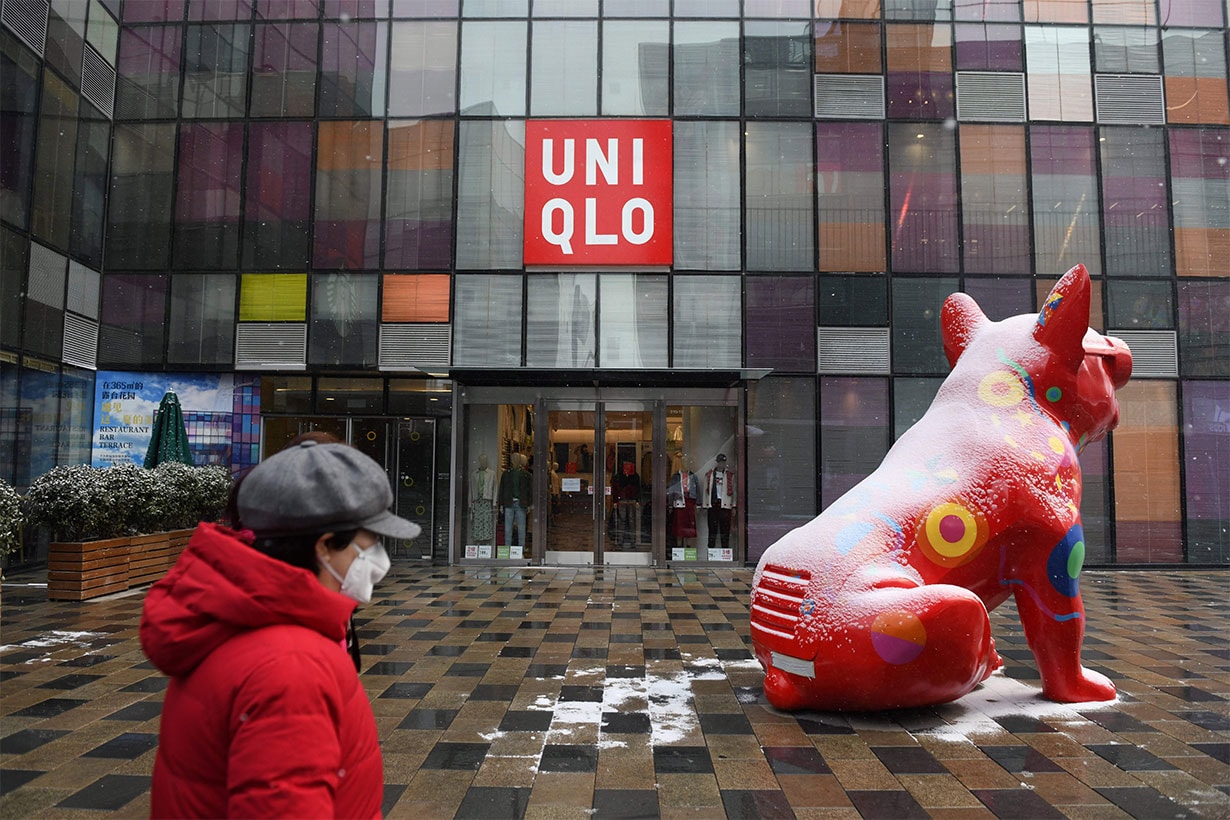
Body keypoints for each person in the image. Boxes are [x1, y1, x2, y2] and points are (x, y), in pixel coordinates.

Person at [140, 440, 420, 818]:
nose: (377, 558)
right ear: (324, 547)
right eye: (368, 543)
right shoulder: (291, 666)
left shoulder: (237, 619)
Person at [498, 452, 532, 547]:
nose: (515, 460)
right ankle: (507, 548)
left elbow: (530, 490)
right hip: (509, 502)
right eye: (513, 459)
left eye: (516, 459)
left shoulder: (526, 475)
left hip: (521, 503)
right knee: (508, 528)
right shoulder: (506, 474)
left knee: (521, 527)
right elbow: (502, 489)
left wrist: (529, 504)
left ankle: (521, 548)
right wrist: (501, 504)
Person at [703, 453, 736, 550]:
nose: (722, 464)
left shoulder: (730, 476)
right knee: (712, 529)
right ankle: (711, 550)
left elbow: (734, 491)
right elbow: (706, 489)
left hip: (725, 505)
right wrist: (705, 504)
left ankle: (725, 549)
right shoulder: (709, 475)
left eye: (723, 462)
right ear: (717, 463)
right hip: (713, 504)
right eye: (720, 462)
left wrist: (733, 505)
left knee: (725, 529)